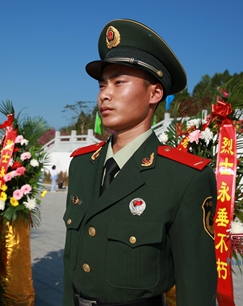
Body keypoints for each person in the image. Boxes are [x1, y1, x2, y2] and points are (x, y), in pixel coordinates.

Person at [63, 19, 217, 306]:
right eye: (102, 85)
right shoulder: (82, 165)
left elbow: (196, 283)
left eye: (119, 82)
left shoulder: (183, 177)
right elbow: (71, 261)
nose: (104, 94)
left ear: (155, 93)